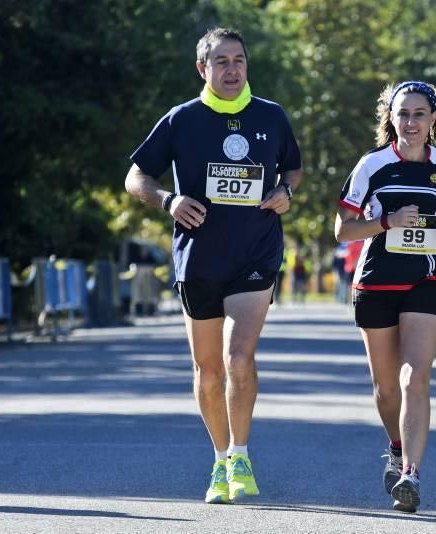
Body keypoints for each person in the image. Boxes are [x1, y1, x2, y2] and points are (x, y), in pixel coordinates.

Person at [124, 27, 302, 504]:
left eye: (238, 60)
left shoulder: (271, 116)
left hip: (255, 253)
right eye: (220, 61)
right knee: (207, 371)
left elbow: (293, 168)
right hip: (198, 259)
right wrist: (168, 200)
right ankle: (221, 458)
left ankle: (241, 453)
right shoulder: (182, 120)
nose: (231, 69)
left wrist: (286, 192)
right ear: (203, 69)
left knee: (238, 357)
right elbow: (135, 175)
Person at [335, 80, 436, 513]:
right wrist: (387, 221)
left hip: (426, 280)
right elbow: (343, 229)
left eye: (419, 114)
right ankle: (395, 445)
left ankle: (410, 474)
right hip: (375, 282)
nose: (410, 122)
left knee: (415, 378)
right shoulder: (371, 165)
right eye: (403, 114)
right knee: (386, 388)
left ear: (434, 119)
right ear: (390, 119)